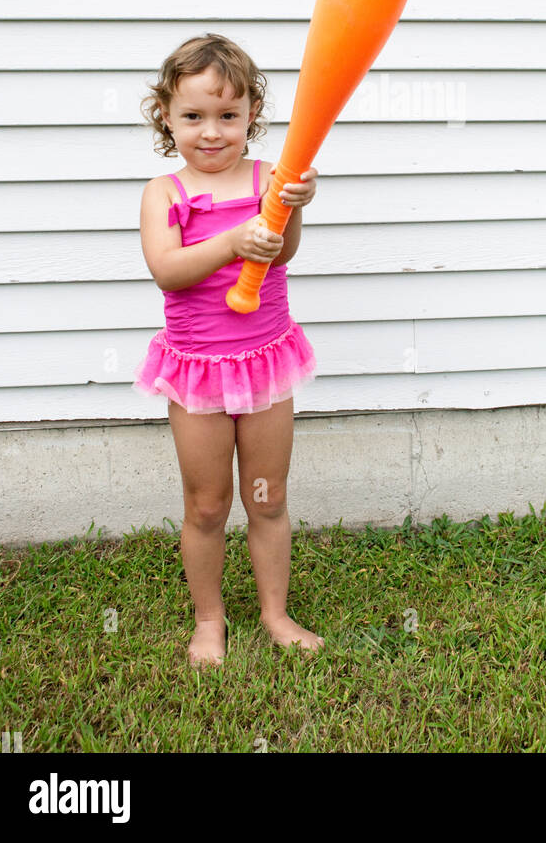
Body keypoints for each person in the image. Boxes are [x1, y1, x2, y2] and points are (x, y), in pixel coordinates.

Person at [132, 32, 324, 666]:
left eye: (227, 116)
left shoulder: (272, 177)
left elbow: (284, 252)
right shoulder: (165, 193)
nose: (210, 132)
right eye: (193, 116)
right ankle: (209, 620)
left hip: (265, 360)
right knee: (208, 503)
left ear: (249, 117)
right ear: (167, 116)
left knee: (267, 497)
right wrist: (234, 241)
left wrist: (292, 210)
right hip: (198, 374)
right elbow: (168, 269)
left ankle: (275, 613)